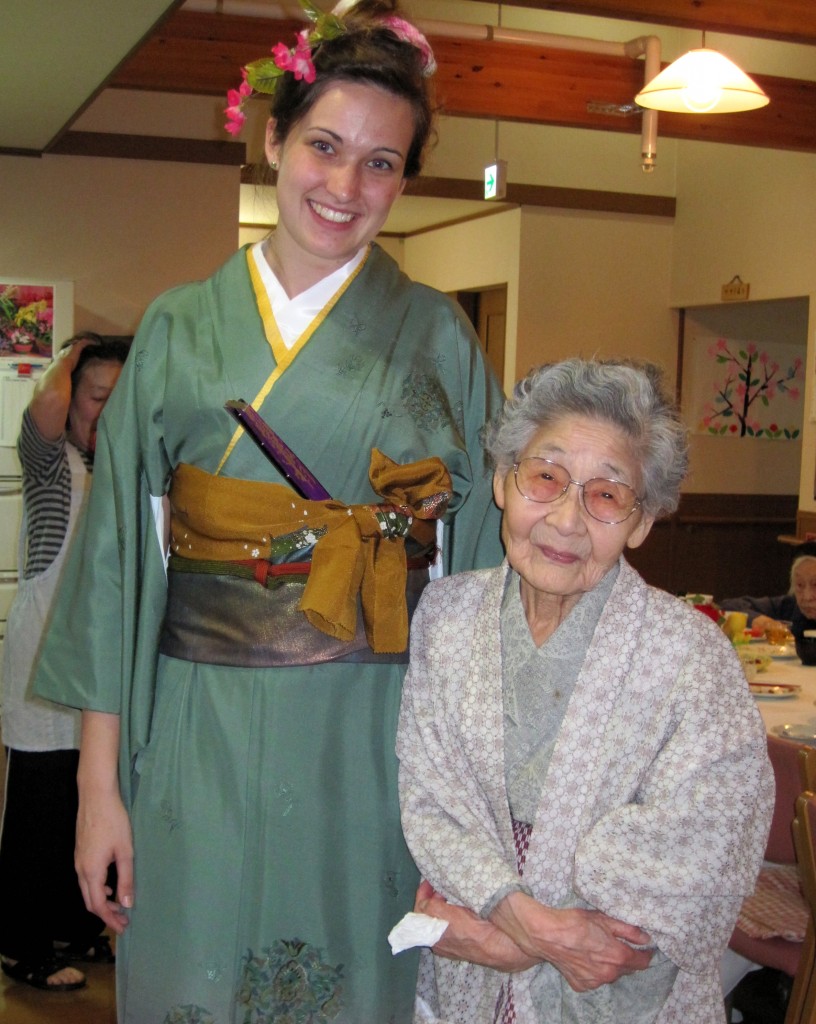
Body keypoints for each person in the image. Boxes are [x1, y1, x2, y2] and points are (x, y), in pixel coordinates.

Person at [33, 3, 503, 1021]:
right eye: (325, 146)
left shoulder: (437, 338)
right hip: (194, 721)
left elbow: (481, 580)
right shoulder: (179, 326)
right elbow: (117, 568)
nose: (345, 186)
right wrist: (97, 790)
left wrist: (473, 804)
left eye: (382, 163)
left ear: (406, 180)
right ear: (273, 138)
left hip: (373, 740)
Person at [397, 358, 773, 1023]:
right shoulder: (445, 618)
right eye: (546, 478)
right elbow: (432, 797)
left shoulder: (692, 656)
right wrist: (520, 924)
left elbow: (703, 845)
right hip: (469, 965)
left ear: (641, 522)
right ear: (503, 484)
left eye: (606, 495)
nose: (567, 519)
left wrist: (519, 941)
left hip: (606, 992)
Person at [0, 333, 129, 992]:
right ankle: (22, 944)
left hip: (96, 664)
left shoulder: (120, 475)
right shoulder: (54, 466)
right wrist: (73, 354)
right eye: (96, 397)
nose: (105, 413)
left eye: (118, 398)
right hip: (42, 663)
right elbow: (44, 408)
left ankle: (77, 926)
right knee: (39, 808)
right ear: (75, 398)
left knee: (91, 798)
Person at [720, 554, 816, 640]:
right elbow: (731, 605)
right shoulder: (789, 606)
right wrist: (758, 620)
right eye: (800, 585)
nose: (807, 597)